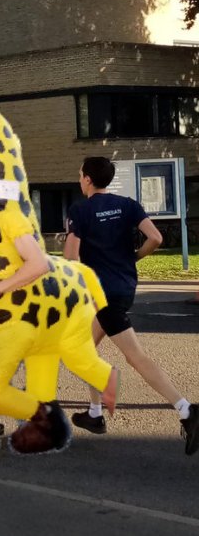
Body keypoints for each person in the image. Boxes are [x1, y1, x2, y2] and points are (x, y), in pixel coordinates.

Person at [65, 156, 199, 453]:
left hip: (101, 294)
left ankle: (187, 410)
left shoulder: (80, 210)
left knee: (135, 357)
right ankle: (95, 414)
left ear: (87, 178)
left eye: (79, 174)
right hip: (124, 287)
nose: (79, 178)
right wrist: (134, 257)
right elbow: (156, 237)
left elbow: (72, 257)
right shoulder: (128, 204)